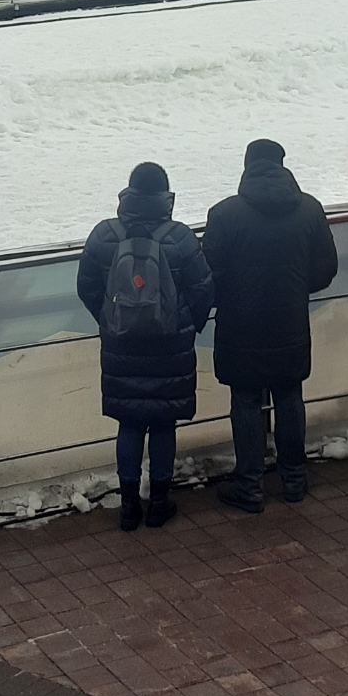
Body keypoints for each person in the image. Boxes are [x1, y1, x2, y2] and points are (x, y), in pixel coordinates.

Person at [76, 162, 213, 532]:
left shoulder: (104, 235)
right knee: (164, 423)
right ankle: (159, 504)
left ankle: (128, 507)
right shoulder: (180, 238)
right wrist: (186, 325)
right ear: (165, 196)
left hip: (121, 346)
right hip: (170, 345)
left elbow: (86, 285)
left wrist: (111, 321)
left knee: (130, 423)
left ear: (129, 193)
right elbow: (203, 289)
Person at [203, 139, 338, 513]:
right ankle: (293, 479)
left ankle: (249, 485)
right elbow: (326, 268)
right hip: (289, 321)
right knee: (290, 396)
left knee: (246, 400)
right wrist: (295, 288)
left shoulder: (224, 214)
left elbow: (209, 276)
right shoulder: (309, 209)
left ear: (247, 166)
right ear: (282, 165)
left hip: (240, 327)